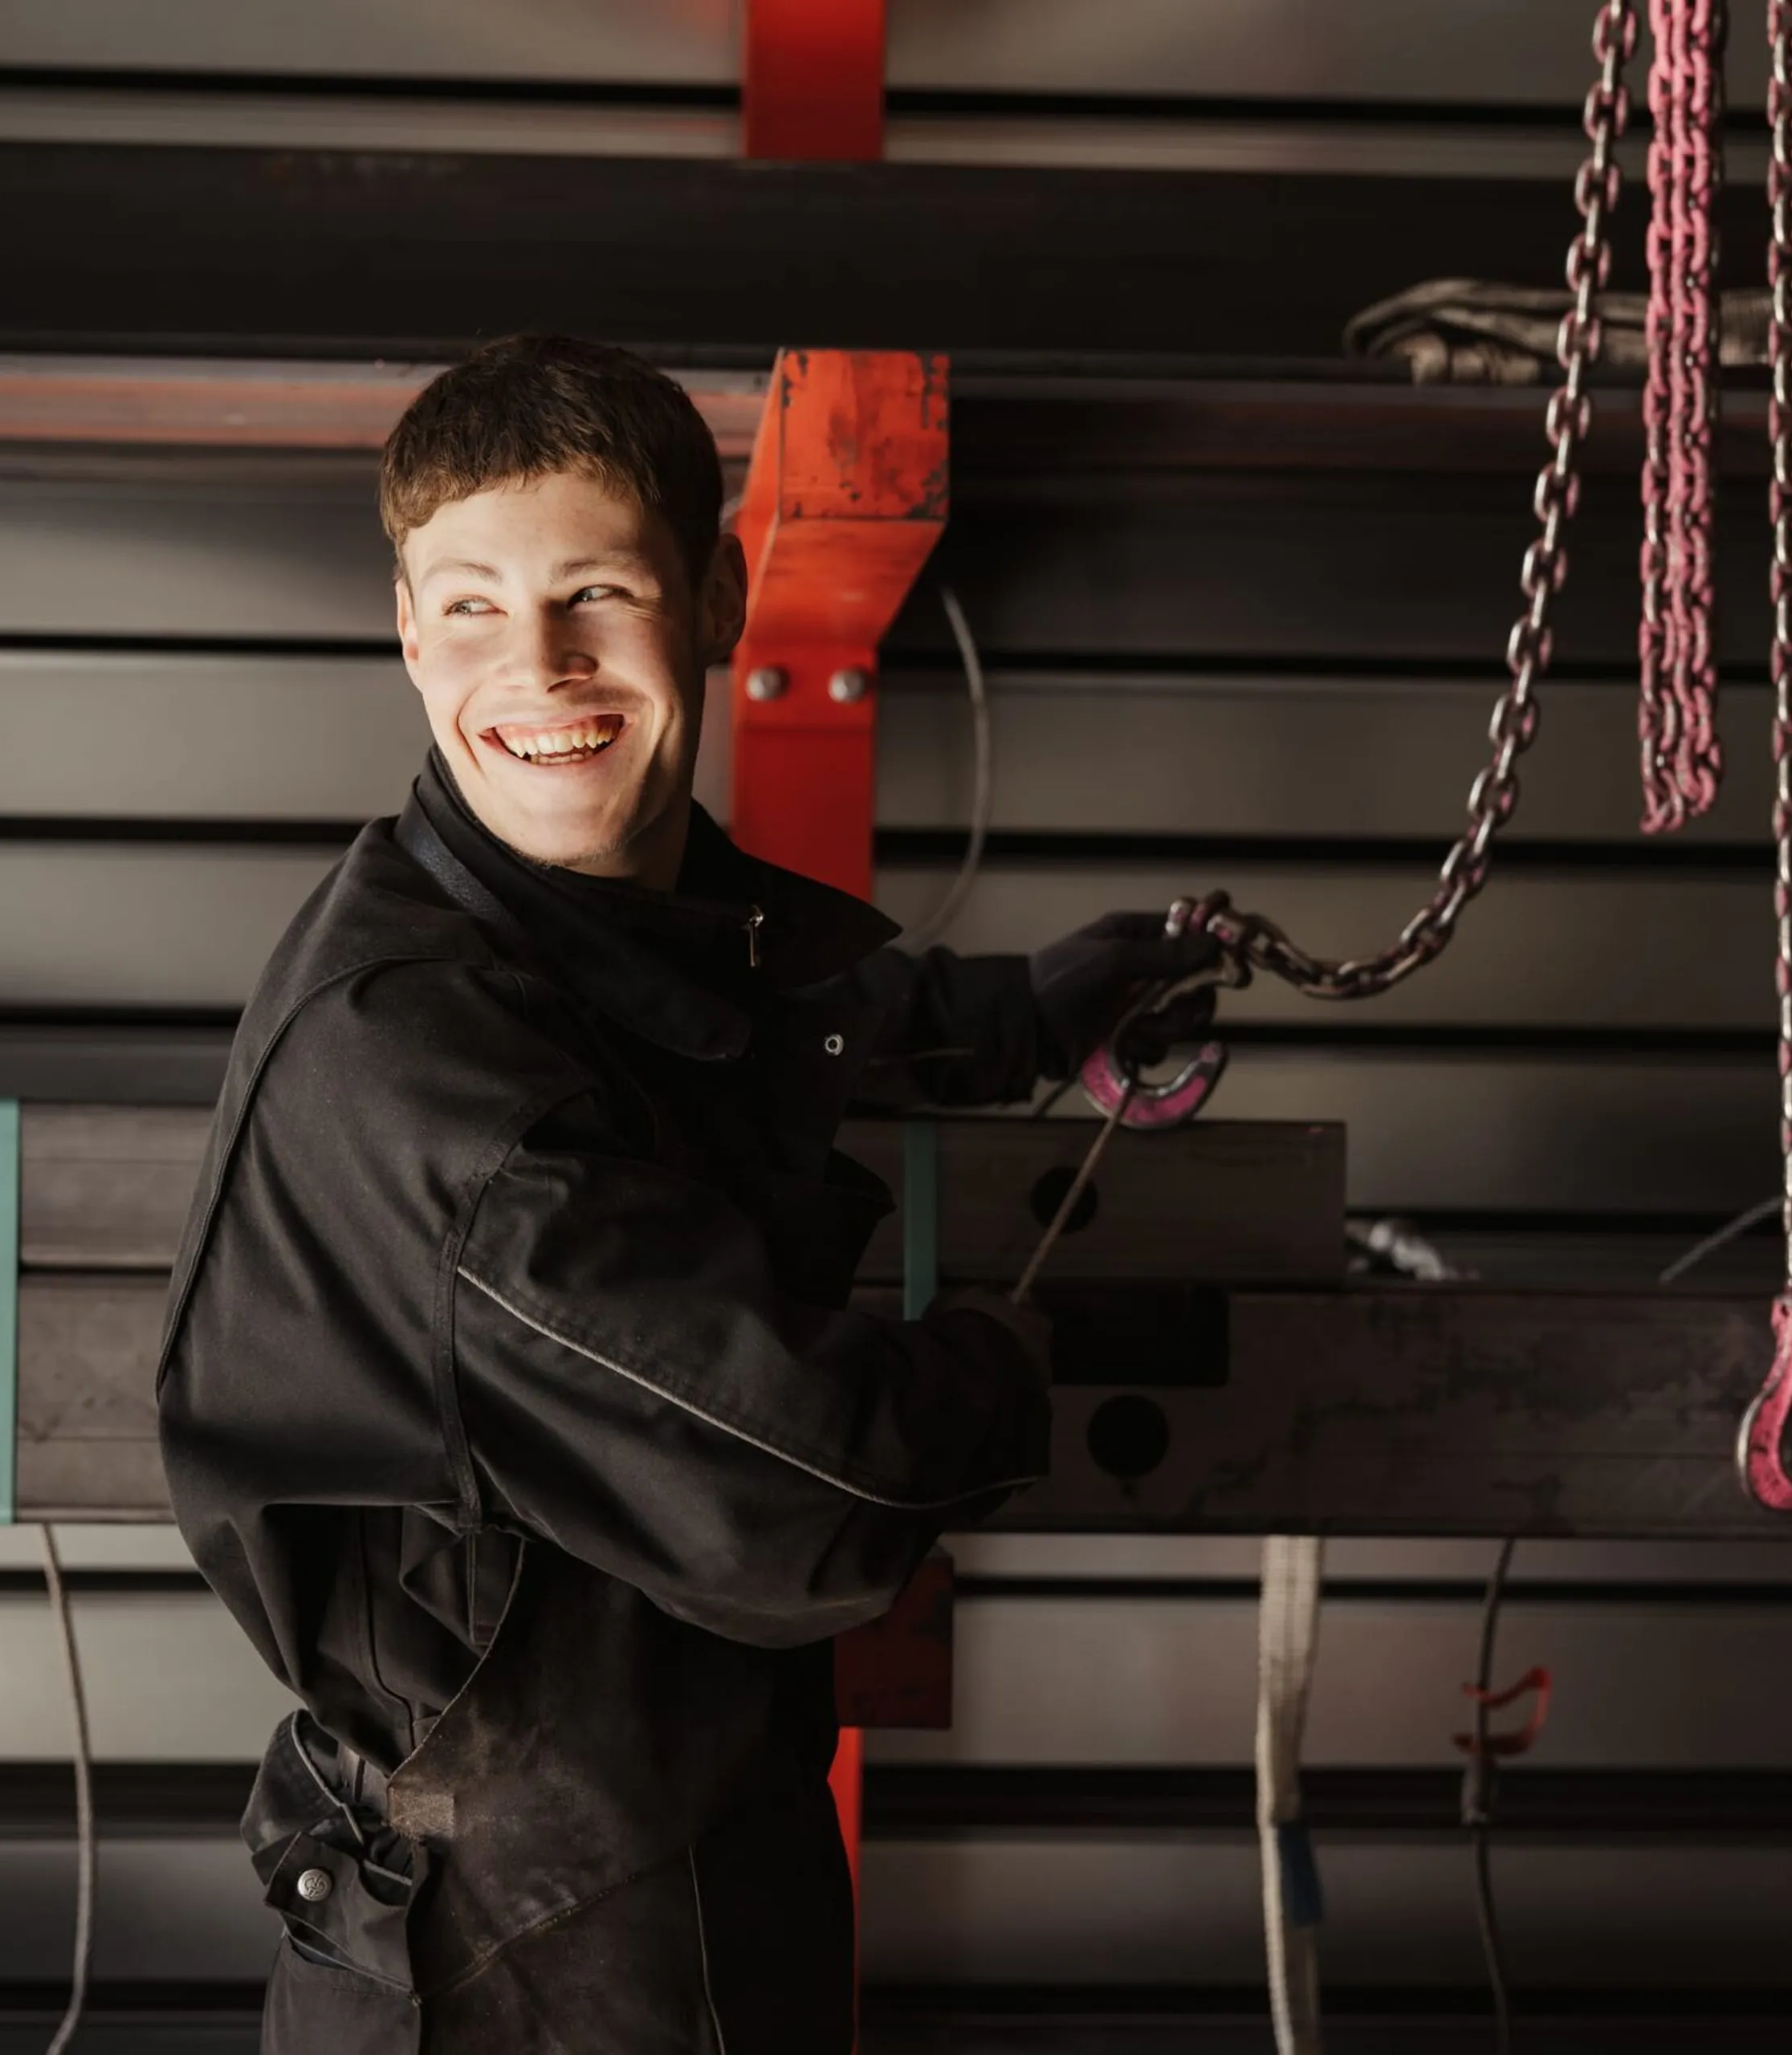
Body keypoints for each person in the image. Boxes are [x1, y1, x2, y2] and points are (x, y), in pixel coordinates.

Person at [157, 334, 1216, 2053]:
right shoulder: (409, 1061)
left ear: (715, 598)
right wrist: (1017, 1364)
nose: (540, 665)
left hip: (686, 1888)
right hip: (505, 1962)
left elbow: (748, 1010)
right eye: (473, 607)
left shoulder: (579, 928)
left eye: (596, 591)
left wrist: (1027, 1012)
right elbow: (800, 1486)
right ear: (408, 632)